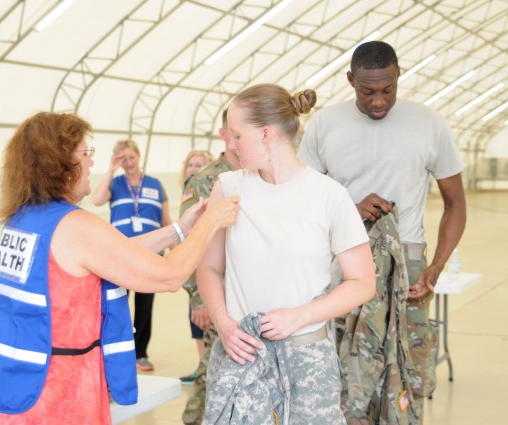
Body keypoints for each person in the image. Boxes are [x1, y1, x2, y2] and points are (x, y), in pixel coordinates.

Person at [0, 112, 240, 424]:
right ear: (60, 164)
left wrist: (179, 230)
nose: (91, 163)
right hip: (49, 398)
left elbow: (116, 253)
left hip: (0, 387)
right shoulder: (75, 226)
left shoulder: (26, 219)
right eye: (85, 153)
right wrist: (212, 221)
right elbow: (170, 275)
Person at [298, 41, 467, 423]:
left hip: (407, 261)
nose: (378, 101)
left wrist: (434, 268)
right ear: (350, 80)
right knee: (347, 368)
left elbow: (456, 202)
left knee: (407, 364)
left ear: (398, 76)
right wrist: (349, 210)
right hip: (344, 257)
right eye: (367, 91)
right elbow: (303, 199)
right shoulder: (325, 124)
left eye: (387, 90)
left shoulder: (429, 124)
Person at [198, 85, 376, 424]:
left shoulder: (328, 196)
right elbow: (208, 268)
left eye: (236, 135)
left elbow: (362, 282)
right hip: (241, 350)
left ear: (265, 134)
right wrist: (223, 324)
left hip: (306, 355)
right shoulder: (229, 186)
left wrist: (299, 316)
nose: (229, 145)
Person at [180, 110, 241, 425]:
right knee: (211, 374)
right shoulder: (206, 179)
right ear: (224, 133)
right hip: (216, 293)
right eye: (236, 131)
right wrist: (199, 299)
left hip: (249, 295)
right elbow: (189, 242)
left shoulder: (258, 173)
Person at [91, 139, 172, 371]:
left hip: (150, 254)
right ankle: (117, 350)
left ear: (139, 156)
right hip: (121, 255)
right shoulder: (115, 184)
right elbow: (96, 200)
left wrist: (176, 248)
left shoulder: (155, 185)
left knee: (145, 305)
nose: (128, 163)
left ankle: (140, 353)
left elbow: (166, 220)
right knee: (118, 303)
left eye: (131, 158)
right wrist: (110, 169)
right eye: (122, 159)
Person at [178, 149, 214, 385]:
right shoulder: (190, 192)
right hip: (196, 274)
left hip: (209, 274)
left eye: (199, 164)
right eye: (190, 164)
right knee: (198, 328)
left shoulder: (210, 187)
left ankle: (204, 371)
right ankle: (202, 368)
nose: (193, 168)